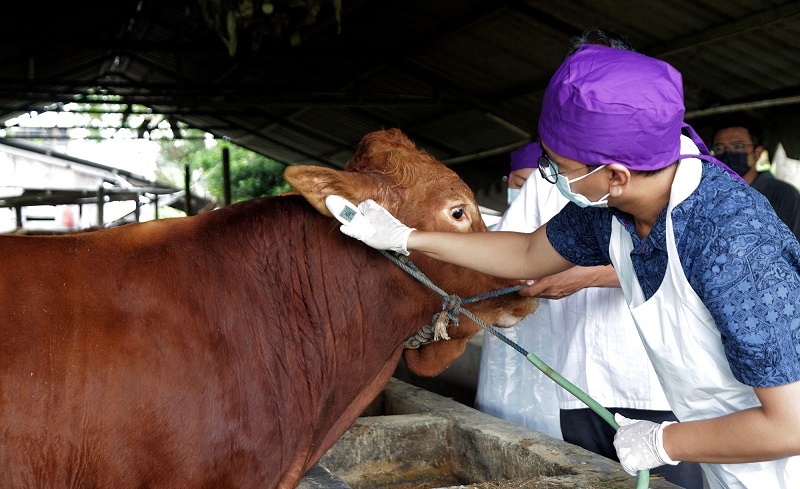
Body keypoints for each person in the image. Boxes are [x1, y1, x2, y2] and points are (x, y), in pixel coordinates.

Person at [337, 45, 800, 488]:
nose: (553, 178)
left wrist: (664, 440)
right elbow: (525, 254)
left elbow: (790, 425)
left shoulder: (734, 245)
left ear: (617, 176)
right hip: (728, 454)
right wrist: (406, 238)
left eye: (561, 167)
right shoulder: (613, 208)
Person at [476, 140, 704, 488]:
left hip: (655, 385)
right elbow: (517, 249)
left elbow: (683, 261)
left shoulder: (675, 171)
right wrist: (415, 241)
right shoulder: (547, 179)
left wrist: (588, 275)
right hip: (580, 383)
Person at [712, 118, 800, 240]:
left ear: (757, 153)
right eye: (719, 148)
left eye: (737, 146)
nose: (728, 153)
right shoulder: (711, 194)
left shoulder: (783, 194)